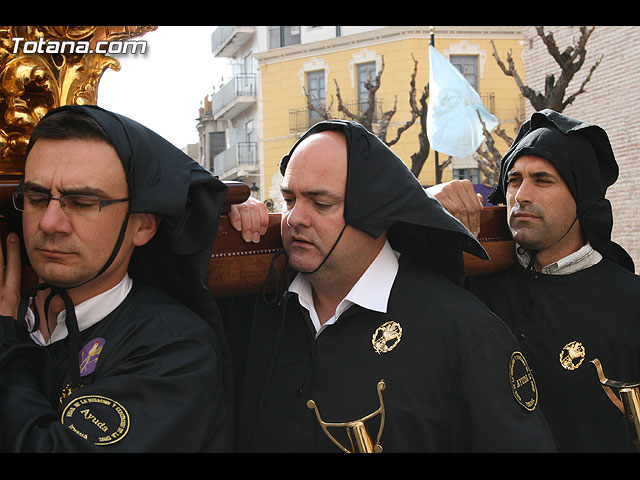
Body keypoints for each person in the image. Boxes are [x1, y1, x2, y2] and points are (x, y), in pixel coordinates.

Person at [225, 119, 555, 452]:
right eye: (289, 199)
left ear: (375, 211)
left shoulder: (465, 332)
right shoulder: (254, 309)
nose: (295, 218)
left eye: (321, 204)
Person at [0, 105, 234, 452]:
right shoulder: (17, 317)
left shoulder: (176, 350)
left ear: (142, 225)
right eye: (36, 198)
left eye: (81, 202)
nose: (49, 223)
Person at [429, 109, 640, 452]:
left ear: (582, 196)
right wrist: (426, 206)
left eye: (543, 180)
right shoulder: (471, 286)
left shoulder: (630, 304)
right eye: (513, 180)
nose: (521, 195)